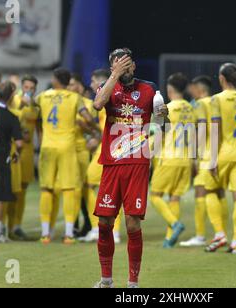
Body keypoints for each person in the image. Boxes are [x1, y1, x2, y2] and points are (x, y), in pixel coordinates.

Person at [92, 48, 168, 288]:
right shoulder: (106, 86)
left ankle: (132, 283)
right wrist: (114, 76)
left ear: (134, 65)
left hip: (137, 162)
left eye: (126, 62)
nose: (124, 66)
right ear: (112, 67)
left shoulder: (149, 88)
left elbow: (162, 124)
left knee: (132, 223)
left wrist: (165, 116)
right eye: (117, 63)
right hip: (111, 163)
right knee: (104, 222)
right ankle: (106, 280)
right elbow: (97, 104)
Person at [36, 68, 96, 245]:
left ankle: (45, 234)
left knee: (46, 189)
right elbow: (87, 117)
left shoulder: (43, 96)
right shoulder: (74, 98)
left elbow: (29, 106)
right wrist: (95, 129)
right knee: (70, 189)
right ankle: (69, 234)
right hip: (67, 147)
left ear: (55, 80)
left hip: (48, 147)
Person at [205, 63, 236, 254]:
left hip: (224, 154)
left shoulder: (216, 100)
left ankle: (220, 233)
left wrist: (213, 159)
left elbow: (215, 130)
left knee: (211, 191)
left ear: (221, 79)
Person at [150, 73, 196, 248]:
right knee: (175, 198)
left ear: (169, 89)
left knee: (155, 196)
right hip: (185, 160)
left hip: (169, 158)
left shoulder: (166, 108)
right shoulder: (191, 108)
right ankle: (169, 239)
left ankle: (175, 224)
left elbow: (161, 133)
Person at [81, 69, 124, 244]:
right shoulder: (117, 96)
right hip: (114, 147)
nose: (90, 84)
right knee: (111, 190)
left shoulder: (106, 98)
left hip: (108, 149)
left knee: (90, 184)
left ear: (102, 81)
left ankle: (98, 229)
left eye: (93, 81)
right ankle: (113, 232)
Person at [180, 75, 221, 248]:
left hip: (205, 155)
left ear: (200, 89)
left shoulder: (199, 104)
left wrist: (194, 157)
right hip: (219, 153)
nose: (191, 90)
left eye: (193, 88)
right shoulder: (215, 103)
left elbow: (199, 131)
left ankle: (202, 235)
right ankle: (221, 232)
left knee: (201, 193)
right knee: (219, 194)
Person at [0, 81, 23, 243]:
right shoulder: (11, 117)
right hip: (1, 159)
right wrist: (17, 153)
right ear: (10, 97)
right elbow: (19, 143)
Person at [8, 75, 40, 240]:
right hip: (14, 149)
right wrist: (21, 104)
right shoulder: (14, 101)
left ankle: (17, 225)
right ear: (22, 87)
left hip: (27, 152)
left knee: (23, 189)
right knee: (11, 189)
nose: (29, 90)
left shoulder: (35, 108)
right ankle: (6, 225)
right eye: (26, 87)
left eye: (32, 88)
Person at [67, 73, 99, 238]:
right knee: (74, 190)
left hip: (86, 151)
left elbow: (97, 128)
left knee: (85, 188)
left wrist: (94, 138)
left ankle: (89, 224)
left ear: (79, 85)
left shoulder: (89, 104)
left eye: (72, 84)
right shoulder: (67, 103)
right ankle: (77, 225)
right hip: (69, 151)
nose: (70, 88)